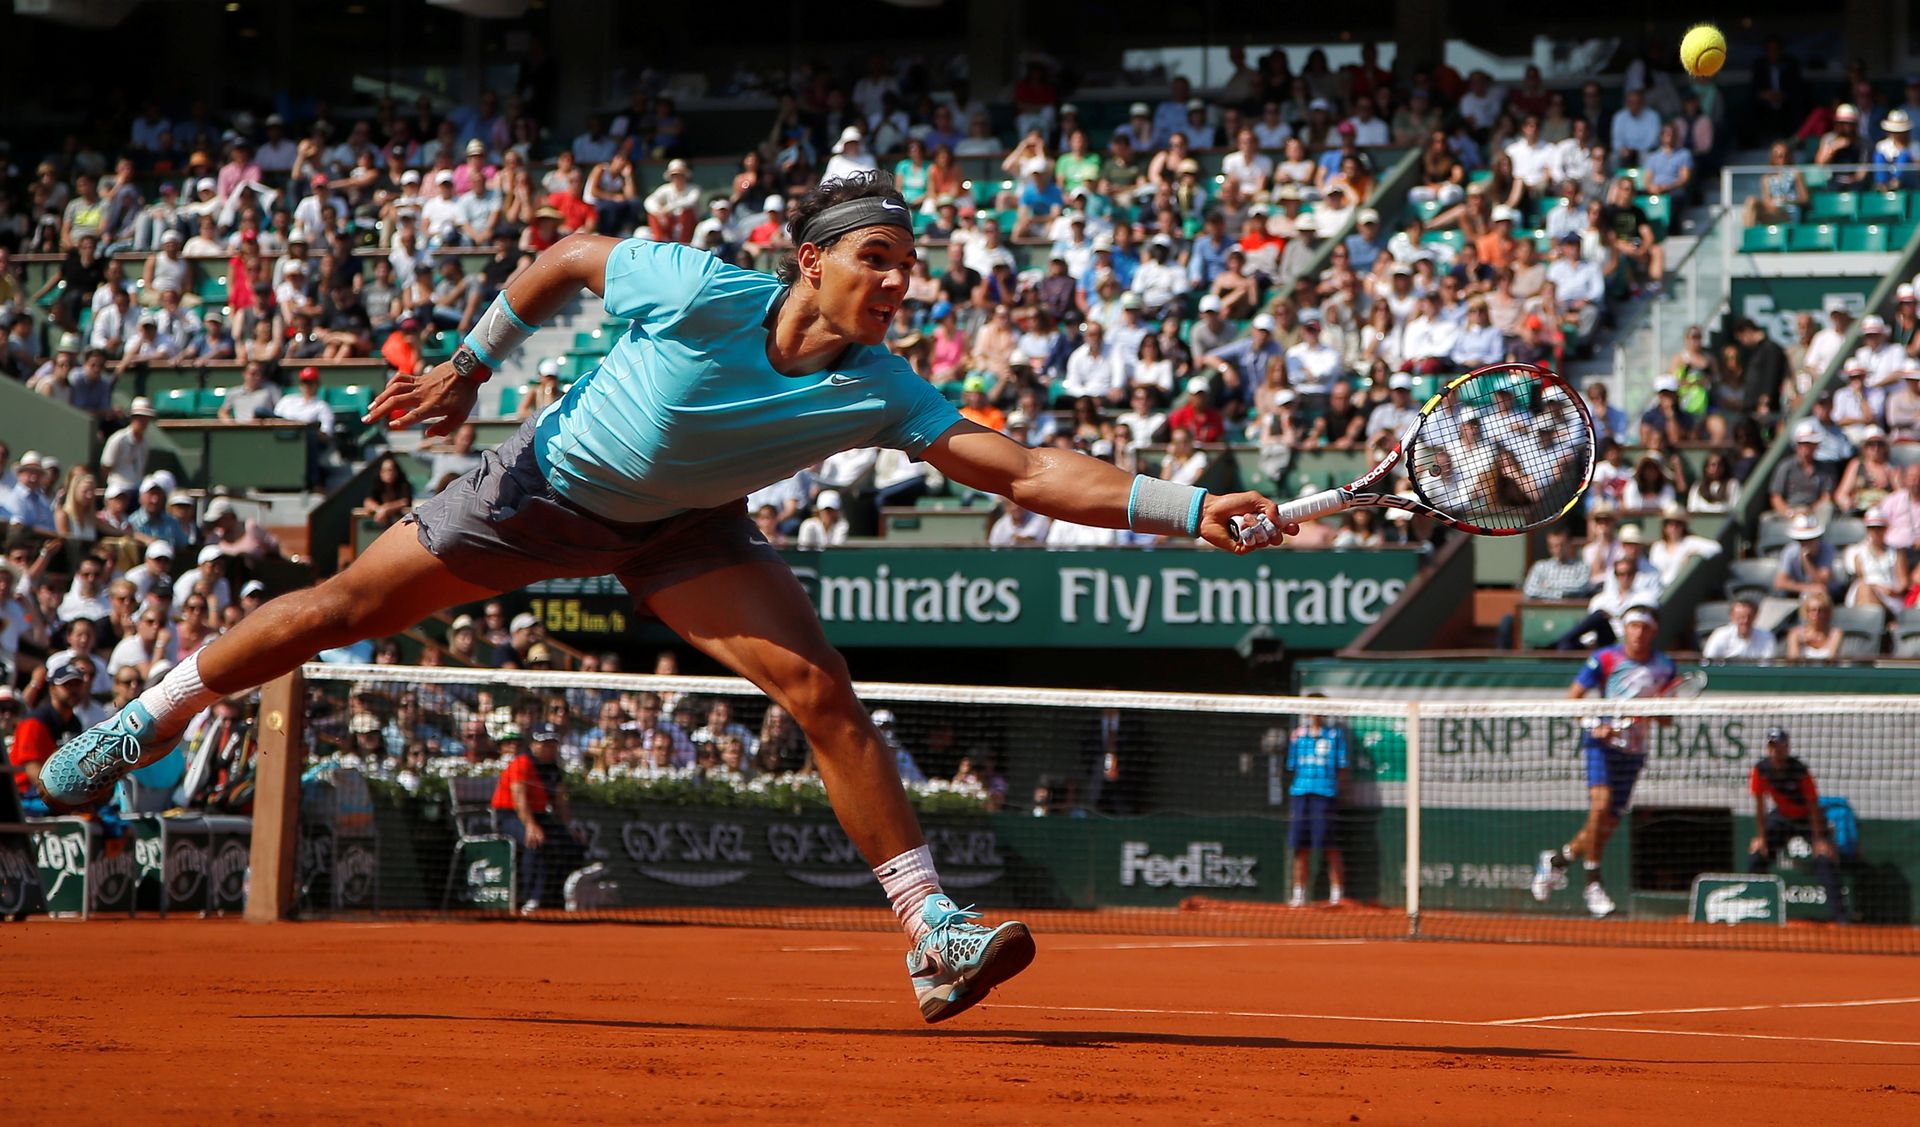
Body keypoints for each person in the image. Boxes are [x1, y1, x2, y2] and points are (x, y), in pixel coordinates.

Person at [43, 171, 1287, 1021]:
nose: (899, 284)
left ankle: (934, 929)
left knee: (822, 691)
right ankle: (143, 718)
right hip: (539, 490)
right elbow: (564, 258)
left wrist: (1186, 505)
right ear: (812, 262)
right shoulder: (697, 288)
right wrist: (470, 366)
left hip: (686, 531)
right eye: (878, 260)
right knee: (336, 611)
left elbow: (1020, 470)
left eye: (910, 268)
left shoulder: (884, 385)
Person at [1533, 604, 1676, 918]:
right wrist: (1594, 726)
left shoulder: (1665, 666)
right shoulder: (1605, 658)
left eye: (1644, 627)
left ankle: (1558, 861)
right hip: (1600, 745)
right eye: (1633, 626)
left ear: (1653, 632)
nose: (1638, 633)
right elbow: (1573, 699)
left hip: (1634, 751)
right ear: (1626, 629)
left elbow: (1668, 720)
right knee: (1600, 807)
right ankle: (1593, 883)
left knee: (1606, 824)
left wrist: (1655, 709)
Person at [1747, 727, 1848, 923]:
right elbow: (1760, 806)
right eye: (1772, 746)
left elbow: (1813, 805)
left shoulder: (1800, 770)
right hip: (1781, 818)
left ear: (1787, 747)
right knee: (1758, 855)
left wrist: (1819, 840)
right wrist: (1761, 838)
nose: (1776, 750)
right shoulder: (1761, 769)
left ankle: (1841, 917)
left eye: (1779, 746)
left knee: (1824, 859)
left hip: (1808, 819)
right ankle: (1755, 910)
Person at [489, 721, 583, 912]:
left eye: (552, 743)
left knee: (569, 842)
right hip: (508, 815)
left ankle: (558, 896)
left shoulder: (553, 768)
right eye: (544, 742)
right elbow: (519, 799)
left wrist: (570, 826)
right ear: (533, 744)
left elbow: (560, 803)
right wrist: (531, 826)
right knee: (534, 841)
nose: (549, 747)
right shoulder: (521, 763)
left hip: (538, 815)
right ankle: (532, 898)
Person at [1285, 711, 1348, 908]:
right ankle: (1299, 894)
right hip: (1301, 794)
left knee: (1330, 845)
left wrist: (1337, 792)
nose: (1316, 715)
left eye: (1320, 711)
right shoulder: (1298, 736)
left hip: (1325, 795)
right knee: (1301, 847)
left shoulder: (1335, 735)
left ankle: (1336, 895)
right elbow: (1291, 766)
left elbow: (1343, 767)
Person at [1702, 595, 1777, 661]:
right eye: (1741, 617)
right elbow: (1708, 663)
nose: (1745, 621)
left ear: (1756, 616)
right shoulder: (1720, 635)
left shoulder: (1767, 637)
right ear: (1732, 617)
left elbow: (1768, 666)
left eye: (1749, 617)